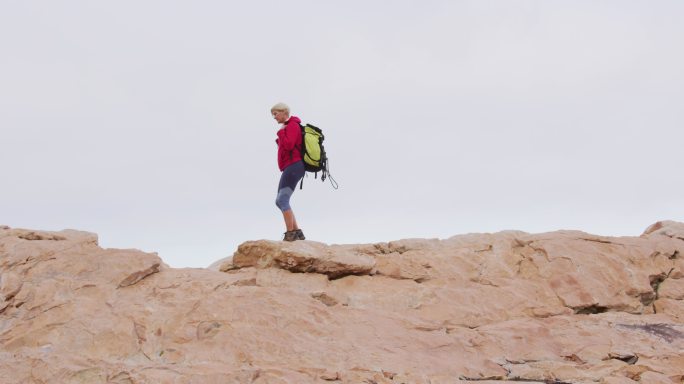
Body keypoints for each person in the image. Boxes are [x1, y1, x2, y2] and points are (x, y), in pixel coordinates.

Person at [271, 102, 306, 241]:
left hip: (294, 166)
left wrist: (281, 132)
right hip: (290, 166)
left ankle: (290, 233)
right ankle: (297, 232)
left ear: (284, 112)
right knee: (279, 201)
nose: (274, 117)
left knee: (282, 199)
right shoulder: (288, 126)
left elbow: (290, 144)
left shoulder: (292, 125)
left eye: (276, 113)